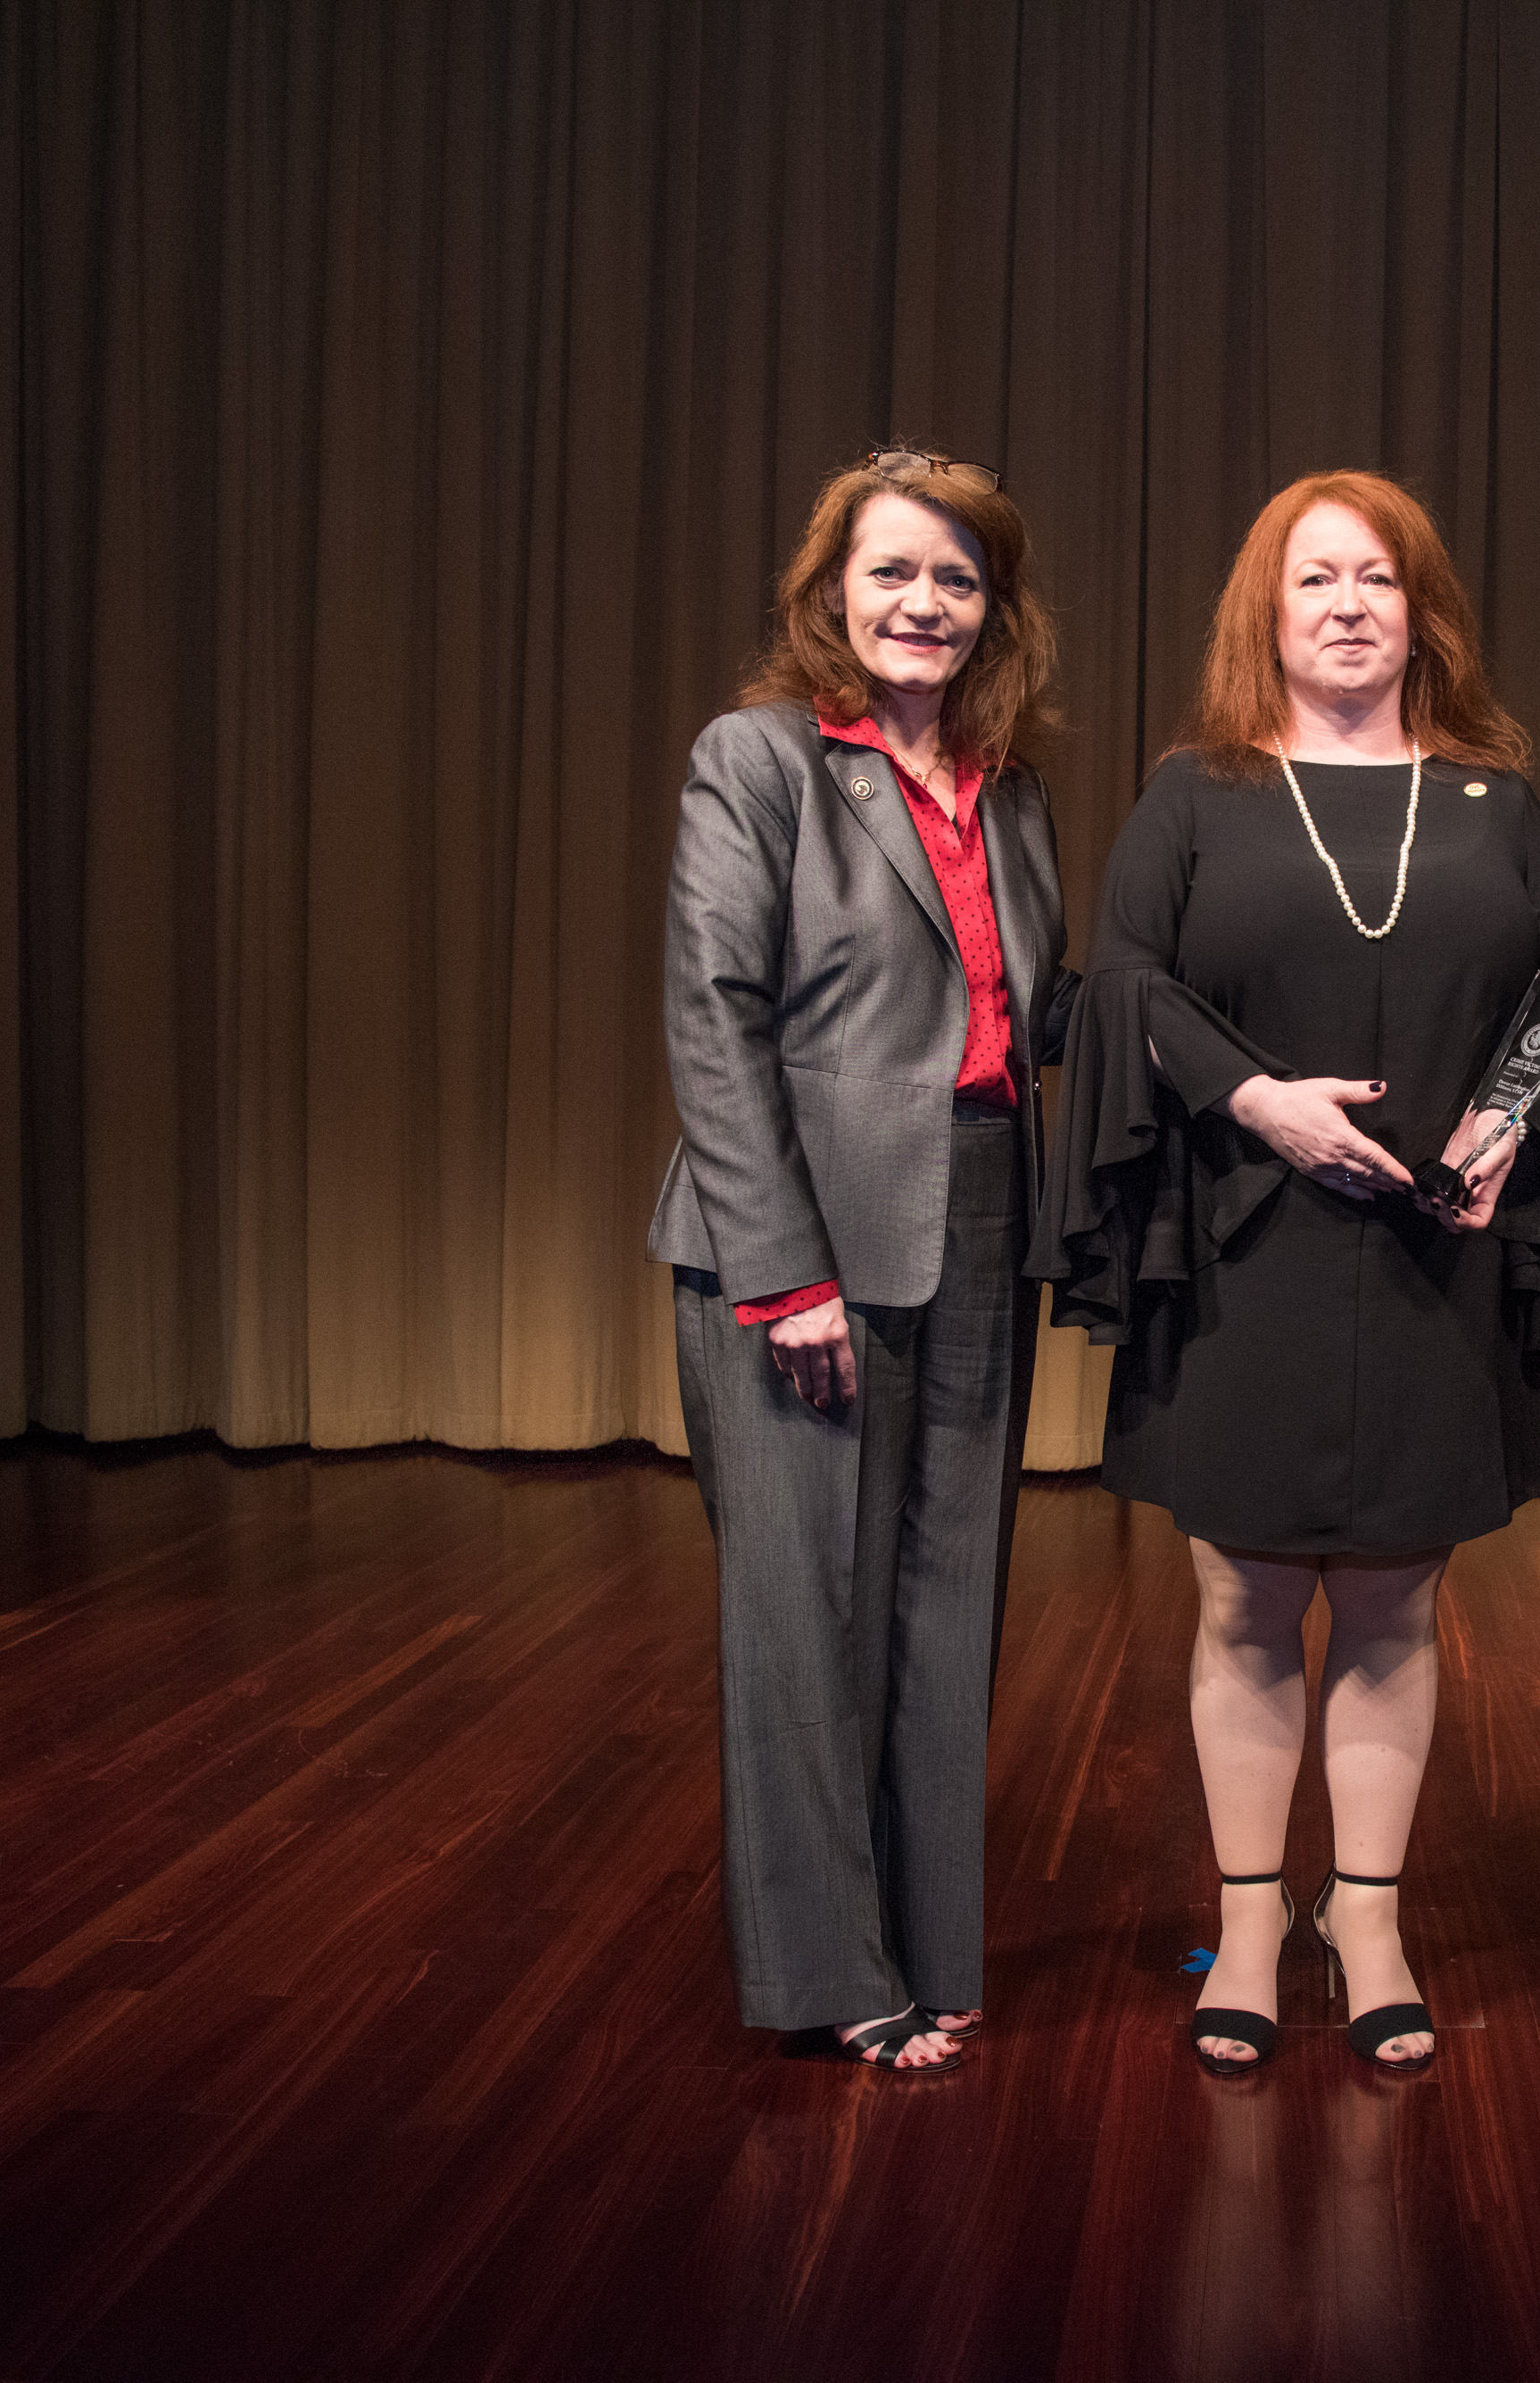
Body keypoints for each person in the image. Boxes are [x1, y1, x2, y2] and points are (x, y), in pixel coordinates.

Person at [1036, 471, 1540, 2076]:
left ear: (1420, 609)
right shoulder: (1196, 794)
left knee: (1395, 1600)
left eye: (1377, 578)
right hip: (1248, 1249)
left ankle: (1364, 1917)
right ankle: (1248, 1918)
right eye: (1315, 582)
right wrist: (1259, 1099)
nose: (1349, 605)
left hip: (1439, 1250)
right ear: (1269, 612)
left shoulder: (1495, 800)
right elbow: (1124, 991)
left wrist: (1508, 1121)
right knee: (1242, 1596)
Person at [648, 449, 1066, 2076]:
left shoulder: (1007, 778)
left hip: (978, 1213)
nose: (924, 604)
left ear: (994, 607)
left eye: (958, 579)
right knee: (807, 1610)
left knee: (948, 1602)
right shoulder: (754, 760)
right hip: (798, 1236)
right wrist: (783, 1271)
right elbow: (714, 1013)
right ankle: (830, 1968)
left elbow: (1030, 1010)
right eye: (892, 572)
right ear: (834, 590)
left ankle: (935, 1941)